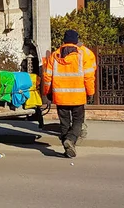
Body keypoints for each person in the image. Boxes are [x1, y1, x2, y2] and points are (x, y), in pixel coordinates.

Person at [42, 30, 96, 158]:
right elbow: (89, 76)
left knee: (64, 124)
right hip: (78, 97)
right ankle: (70, 140)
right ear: (76, 41)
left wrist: (47, 93)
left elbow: (47, 77)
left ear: (64, 41)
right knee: (78, 122)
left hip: (60, 97)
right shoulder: (83, 55)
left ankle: (67, 148)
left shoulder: (55, 55)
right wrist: (91, 92)